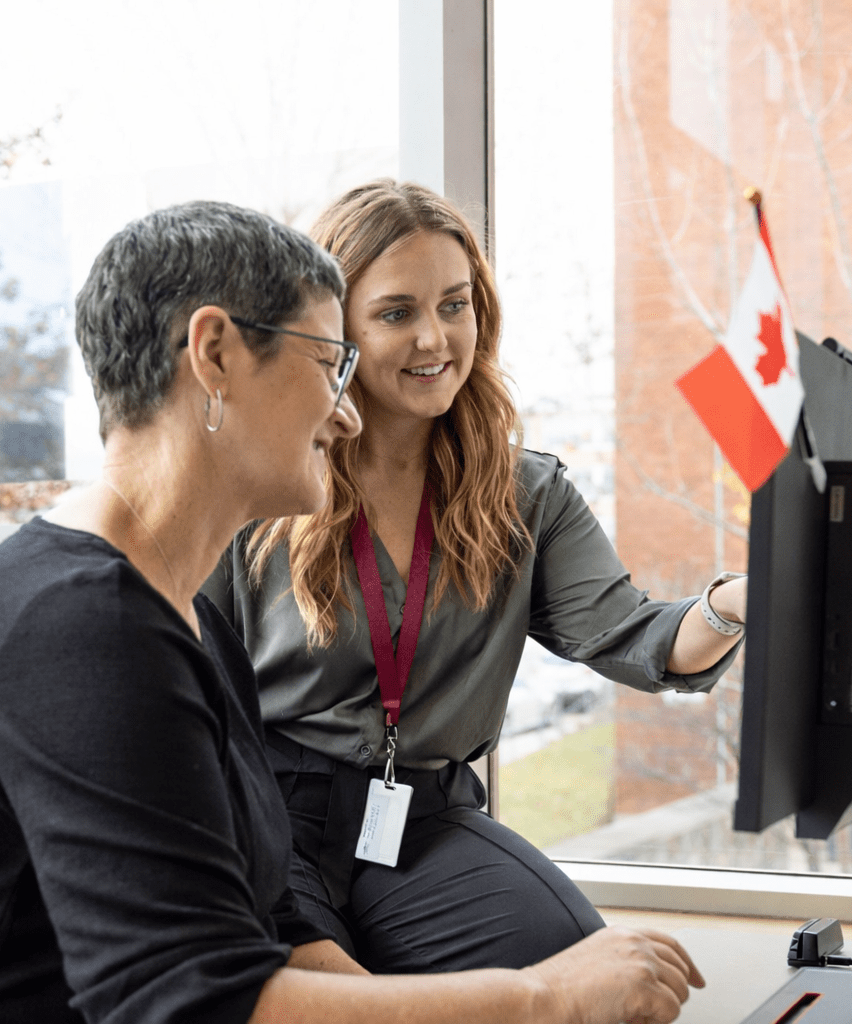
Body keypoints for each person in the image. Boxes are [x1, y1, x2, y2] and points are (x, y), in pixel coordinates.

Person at [0, 201, 703, 1024]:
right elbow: (192, 999)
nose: (345, 419)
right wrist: (542, 1000)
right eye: (328, 362)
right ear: (215, 354)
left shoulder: (179, 617)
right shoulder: (78, 635)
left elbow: (257, 915)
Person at [202, 180, 748, 975]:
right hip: (267, 813)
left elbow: (637, 637)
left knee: (578, 971)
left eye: (454, 305)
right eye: (397, 313)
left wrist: (739, 604)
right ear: (334, 328)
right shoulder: (264, 484)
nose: (435, 339)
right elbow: (189, 696)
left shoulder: (527, 494)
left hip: (424, 820)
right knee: (332, 998)